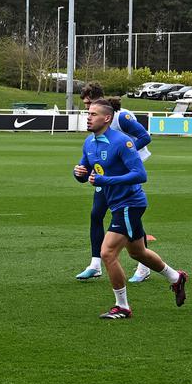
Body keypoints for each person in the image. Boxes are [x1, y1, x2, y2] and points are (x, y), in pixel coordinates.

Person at [73, 100, 187, 319]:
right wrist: (78, 173)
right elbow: (85, 171)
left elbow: (140, 175)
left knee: (107, 253)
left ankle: (122, 306)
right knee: (138, 252)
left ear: (107, 118)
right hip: (117, 202)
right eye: (88, 113)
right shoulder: (89, 142)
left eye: (93, 114)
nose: (88, 117)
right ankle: (175, 277)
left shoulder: (122, 142)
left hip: (129, 204)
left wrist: (107, 180)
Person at [75, 83, 155, 282]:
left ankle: (144, 265)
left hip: (125, 174)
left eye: (89, 104)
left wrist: (123, 155)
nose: (87, 110)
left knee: (129, 214)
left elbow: (145, 136)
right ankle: (95, 264)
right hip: (106, 174)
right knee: (97, 214)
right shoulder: (93, 130)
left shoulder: (121, 116)